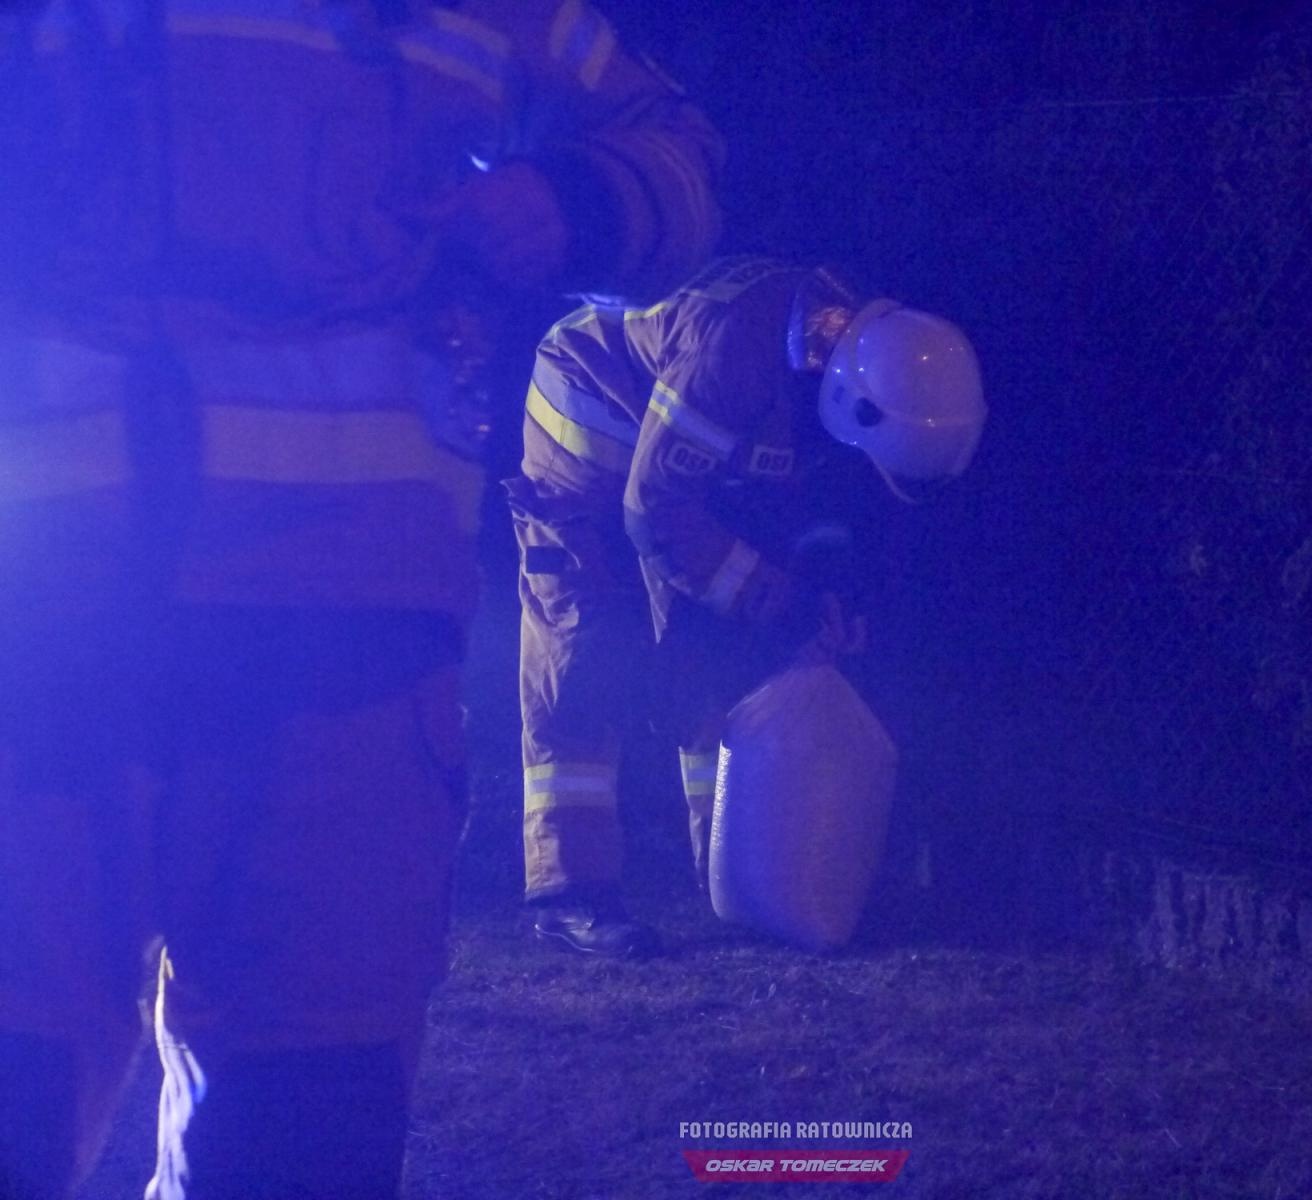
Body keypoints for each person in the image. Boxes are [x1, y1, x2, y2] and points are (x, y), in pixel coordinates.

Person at [0, 0, 721, 1196]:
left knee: (299, 1132)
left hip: (340, 652)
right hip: (44, 636)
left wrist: (572, 201)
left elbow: (676, 153)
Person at [510, 255, 986, 957]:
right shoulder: (734, 354)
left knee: (711, 651)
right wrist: (774, 596)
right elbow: (655, 508)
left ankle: (733, 874)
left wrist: (819, 596)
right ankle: (569, 895)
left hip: (669, 465)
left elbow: (787, 502)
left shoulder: (852, 359)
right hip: (590, 418)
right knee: (588, 640)